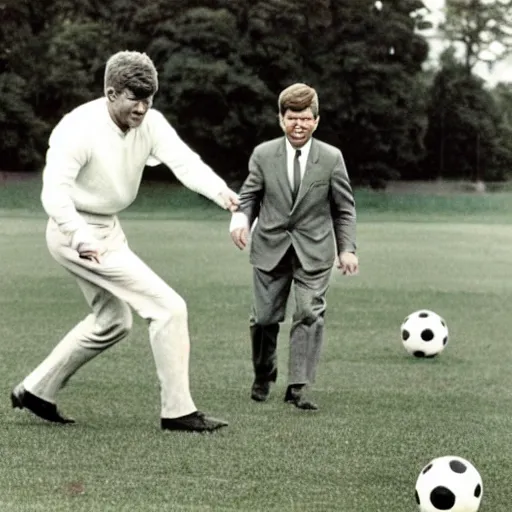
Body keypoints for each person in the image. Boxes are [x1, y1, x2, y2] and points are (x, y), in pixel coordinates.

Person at [11, 50, 239, 432]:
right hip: (71, 232)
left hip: (108, 229)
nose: (142, 108)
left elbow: (185, 162)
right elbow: (54, 195)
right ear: (111, 92)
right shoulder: (77, 128)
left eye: (149, 99)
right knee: (169, 307)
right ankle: (178, 412)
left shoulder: (152, 122)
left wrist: (223, 194)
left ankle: (36, 390)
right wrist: (81, 237)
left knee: (114, 321)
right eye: (134, 98)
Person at [230, 83, 358, 410]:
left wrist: (347, 249)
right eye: (291, 118)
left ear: (316, 120)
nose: (297, 125)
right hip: (269, 248)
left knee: (308, 313)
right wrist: (243, 219)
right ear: (280, 119)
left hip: (314, 252)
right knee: (263, 319)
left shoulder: (331, 159)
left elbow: (344, 208)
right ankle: (264, 372)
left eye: (304, 118)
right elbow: (249, 195)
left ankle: (298, 386)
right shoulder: (263, 154)